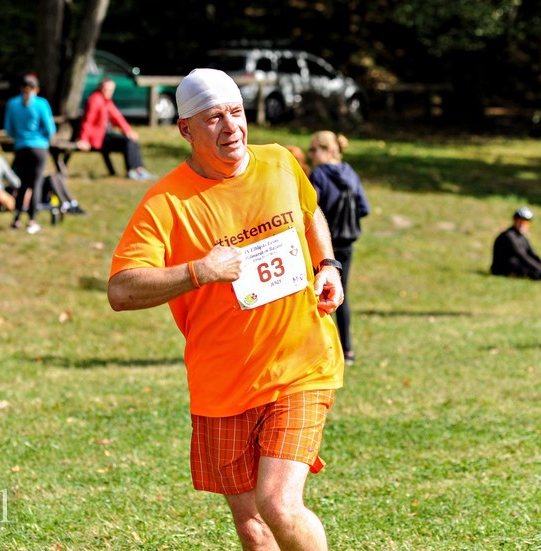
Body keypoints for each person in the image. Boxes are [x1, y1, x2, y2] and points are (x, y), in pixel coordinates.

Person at [107, 68, 344, 550]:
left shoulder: (279, 162)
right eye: (214, 118)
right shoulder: (166, 203)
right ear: (185, 129)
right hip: (222, 384)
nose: (232, 127)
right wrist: (200, 271)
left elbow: (309, 211)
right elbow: (121, 290)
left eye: (236, 112)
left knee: (279, 503)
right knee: (254, 527)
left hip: (301, 364)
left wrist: (328, 265)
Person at [307, 130, 371, 366]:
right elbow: (364, 208)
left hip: (323, 245)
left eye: (313, 150)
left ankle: (318, 349)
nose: (310, 155)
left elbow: (309, 208)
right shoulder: (350, 172)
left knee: (316, 293)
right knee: (340, 292)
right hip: (347, 244)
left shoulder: (319, 175)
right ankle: (347, 350)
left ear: (325, 150)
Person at [4, 73, 56, 234]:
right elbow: (50, 129)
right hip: (39, 148)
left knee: (22, 184)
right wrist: (41, 139)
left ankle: (17, 219)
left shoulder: (12, 103)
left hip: (21, 148)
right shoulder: (41, 103)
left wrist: (21, 138)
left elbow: (9, 129)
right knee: (36, 184)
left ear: (21, 88)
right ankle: (32, 221)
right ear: (37, 89)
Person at [75, 77, 155, 181]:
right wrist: (83, 139)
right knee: (127, 142)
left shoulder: (106, 101)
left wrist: (128, 131)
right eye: (106, 89)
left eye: (111, 90)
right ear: (100, 88)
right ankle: (132, 170)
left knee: (131, 139)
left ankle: (139, 169)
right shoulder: (95, 100)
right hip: (98, 138)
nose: (108, 92)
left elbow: (117, 117)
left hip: (105, 135)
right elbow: (87, 121)